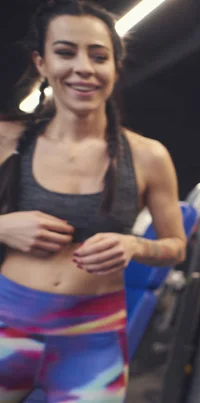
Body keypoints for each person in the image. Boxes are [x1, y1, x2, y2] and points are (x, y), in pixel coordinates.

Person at [0, 1, 187, 401]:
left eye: (98, 56)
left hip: (92, 339)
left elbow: (176, 248)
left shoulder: (149, 156)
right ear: (41, 62)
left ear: (115, 67)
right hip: (7, 323)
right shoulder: (8, 139)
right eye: (66, 52)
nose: (83, 67)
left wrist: (135, 244)